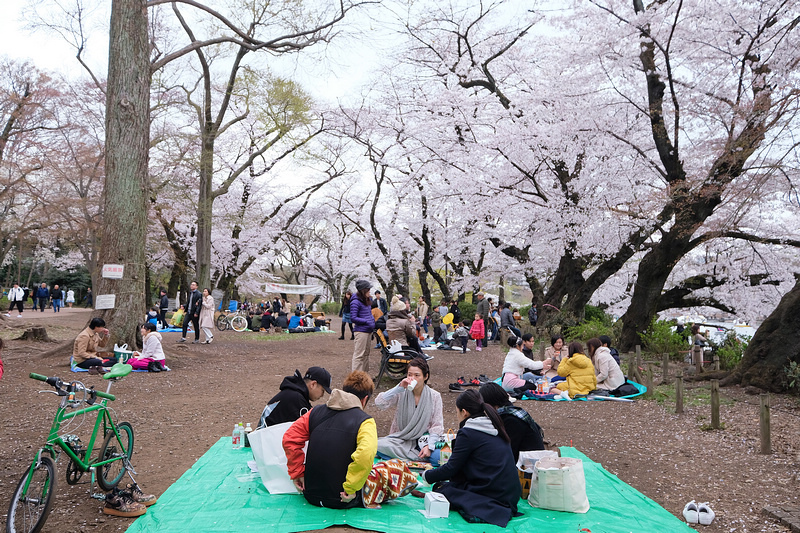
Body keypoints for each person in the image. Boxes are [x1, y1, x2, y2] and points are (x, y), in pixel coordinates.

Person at [421, 389, 521, 527]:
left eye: (457, 412)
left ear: (464, 412)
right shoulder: (495, 426)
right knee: (452, 485)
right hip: (511, 496)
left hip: (493, 494)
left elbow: (451, 469)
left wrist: (426, 475)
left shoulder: (468, 433)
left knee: (441, 488)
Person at [283, 370, 377, 509]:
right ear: (364, 399)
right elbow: (365, 454)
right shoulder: (366, 421)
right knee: (392, 471)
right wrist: (351, 488)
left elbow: (289, 438)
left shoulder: (314, 412)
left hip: (310, 494)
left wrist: (297, 472)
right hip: (342, 498)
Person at [374, 357, 443, 462]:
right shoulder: (402, 391)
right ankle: (411, 459)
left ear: (426, 376)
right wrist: (398, 387)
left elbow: (437, 426)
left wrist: (429, 446)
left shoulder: (434, 396)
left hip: (424, 440)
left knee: (437, 458)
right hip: (401, 439)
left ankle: (399, 458)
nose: (412, 378)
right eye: (410, 375)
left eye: (417, 375)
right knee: (375, 445)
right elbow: (379, 402)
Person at [480, 382, 545, 461]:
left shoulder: (511, 420)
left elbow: (508, 452)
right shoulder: (512, 412)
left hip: (529, 465)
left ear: (490, 404)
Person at [258, 366, 332, 428]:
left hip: (264, 438)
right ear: (313, 384)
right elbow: (307, 428)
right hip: (266, 441)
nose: (322, 395)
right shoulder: (296, 399)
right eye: (322, 390)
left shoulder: (293, 393)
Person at [350, 280, 375, 373]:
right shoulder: (355, 302)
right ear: (363, 290)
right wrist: (366, 321)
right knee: (359, 355)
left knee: (366, 354)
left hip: (368, 331)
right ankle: (356, 377)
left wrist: (372, 321)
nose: (370, 291)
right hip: (361, 331)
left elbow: (368, 314)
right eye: (368, 290)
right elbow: (353, 318)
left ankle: (364, 375)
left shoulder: (367, 300)